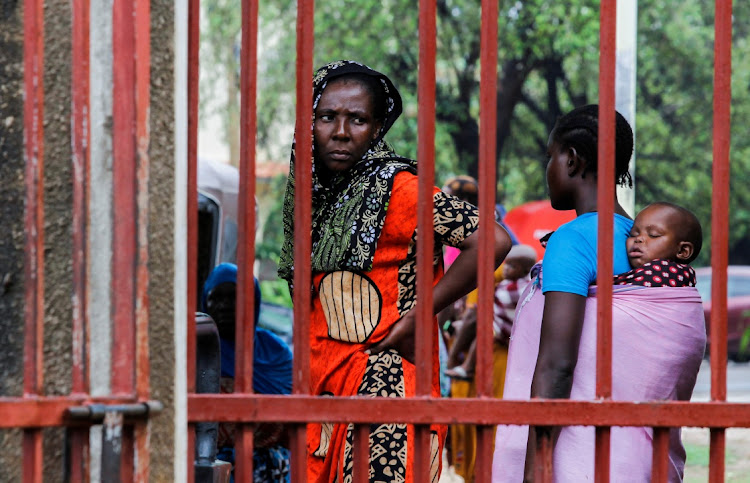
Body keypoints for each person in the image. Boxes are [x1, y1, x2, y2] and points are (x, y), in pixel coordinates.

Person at [277, 60, 512, 483]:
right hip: (325, 386)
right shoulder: (312, 198)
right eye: (327, 117)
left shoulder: (401, 189)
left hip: (383, 383)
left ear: (378, 127)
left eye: (358, 119)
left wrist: (422, 313)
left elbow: (492, 240)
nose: (341, 131)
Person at [492, 105, 706, 482]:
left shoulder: (573, 239)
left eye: (550, 157)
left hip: (576, 460)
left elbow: (557, 364)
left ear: (571, 160)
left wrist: (536, 469)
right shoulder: (635, 239)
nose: (548, 169)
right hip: (634, 456)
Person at [202, 263, 294, 482]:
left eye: (234, 297)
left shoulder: (274, 351)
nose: (224, 306)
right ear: (206, 302)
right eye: (217, 297)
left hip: (266, 470)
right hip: (205, 465)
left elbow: (292, 416)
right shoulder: (196, 350)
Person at [444, 244, 537, 380]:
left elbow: (481, 310)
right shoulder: (514, 284)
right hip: (512, 346)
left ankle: (467, 366)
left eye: (511, 266)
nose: (505, 268)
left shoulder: (514, 288)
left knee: (484, 327)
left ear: (525, 270)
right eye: (506, 264)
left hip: (505, 342)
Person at [613, 201, 702, 287]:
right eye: (633, 234)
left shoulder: (660, 275)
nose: (638, 238)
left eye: (653, 235)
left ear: (682, 251)